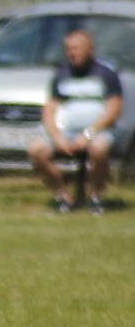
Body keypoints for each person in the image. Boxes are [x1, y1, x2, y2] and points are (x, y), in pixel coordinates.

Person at [26, 28, 123, 215]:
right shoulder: (61, 75)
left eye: (77, 48)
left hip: (99, 131)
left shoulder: (106, 74)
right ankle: (64, 197)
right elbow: (49, 110)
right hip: (67, 132)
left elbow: (114, 109)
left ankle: (95, 198)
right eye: (68, 49)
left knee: (99, 148)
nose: (72, 53)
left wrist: (87, 134)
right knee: (36, 149)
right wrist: (57, 137)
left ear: (90, 50)